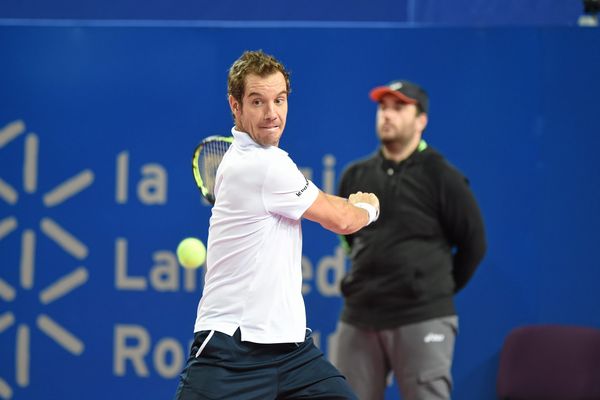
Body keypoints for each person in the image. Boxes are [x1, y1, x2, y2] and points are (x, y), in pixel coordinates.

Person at [173, 50, 380, 400]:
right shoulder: (264, 165)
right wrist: (368, 208)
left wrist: (349, 203)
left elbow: (323, 202)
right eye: (257, 102)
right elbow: (343, 220)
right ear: (235, 106)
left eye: (279, 100)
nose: (272, 114)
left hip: (290, 350)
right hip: (232, 349)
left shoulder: (257, 162)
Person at [331, 80, 487, 400]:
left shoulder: (443, 177)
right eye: (383, 107)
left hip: (422, 316)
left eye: (399, 107)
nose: (387, 115)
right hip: (359, 316)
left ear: (421, 121)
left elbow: (474, 244)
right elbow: (348, 241)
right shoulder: (355, 175)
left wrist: (432, 289)